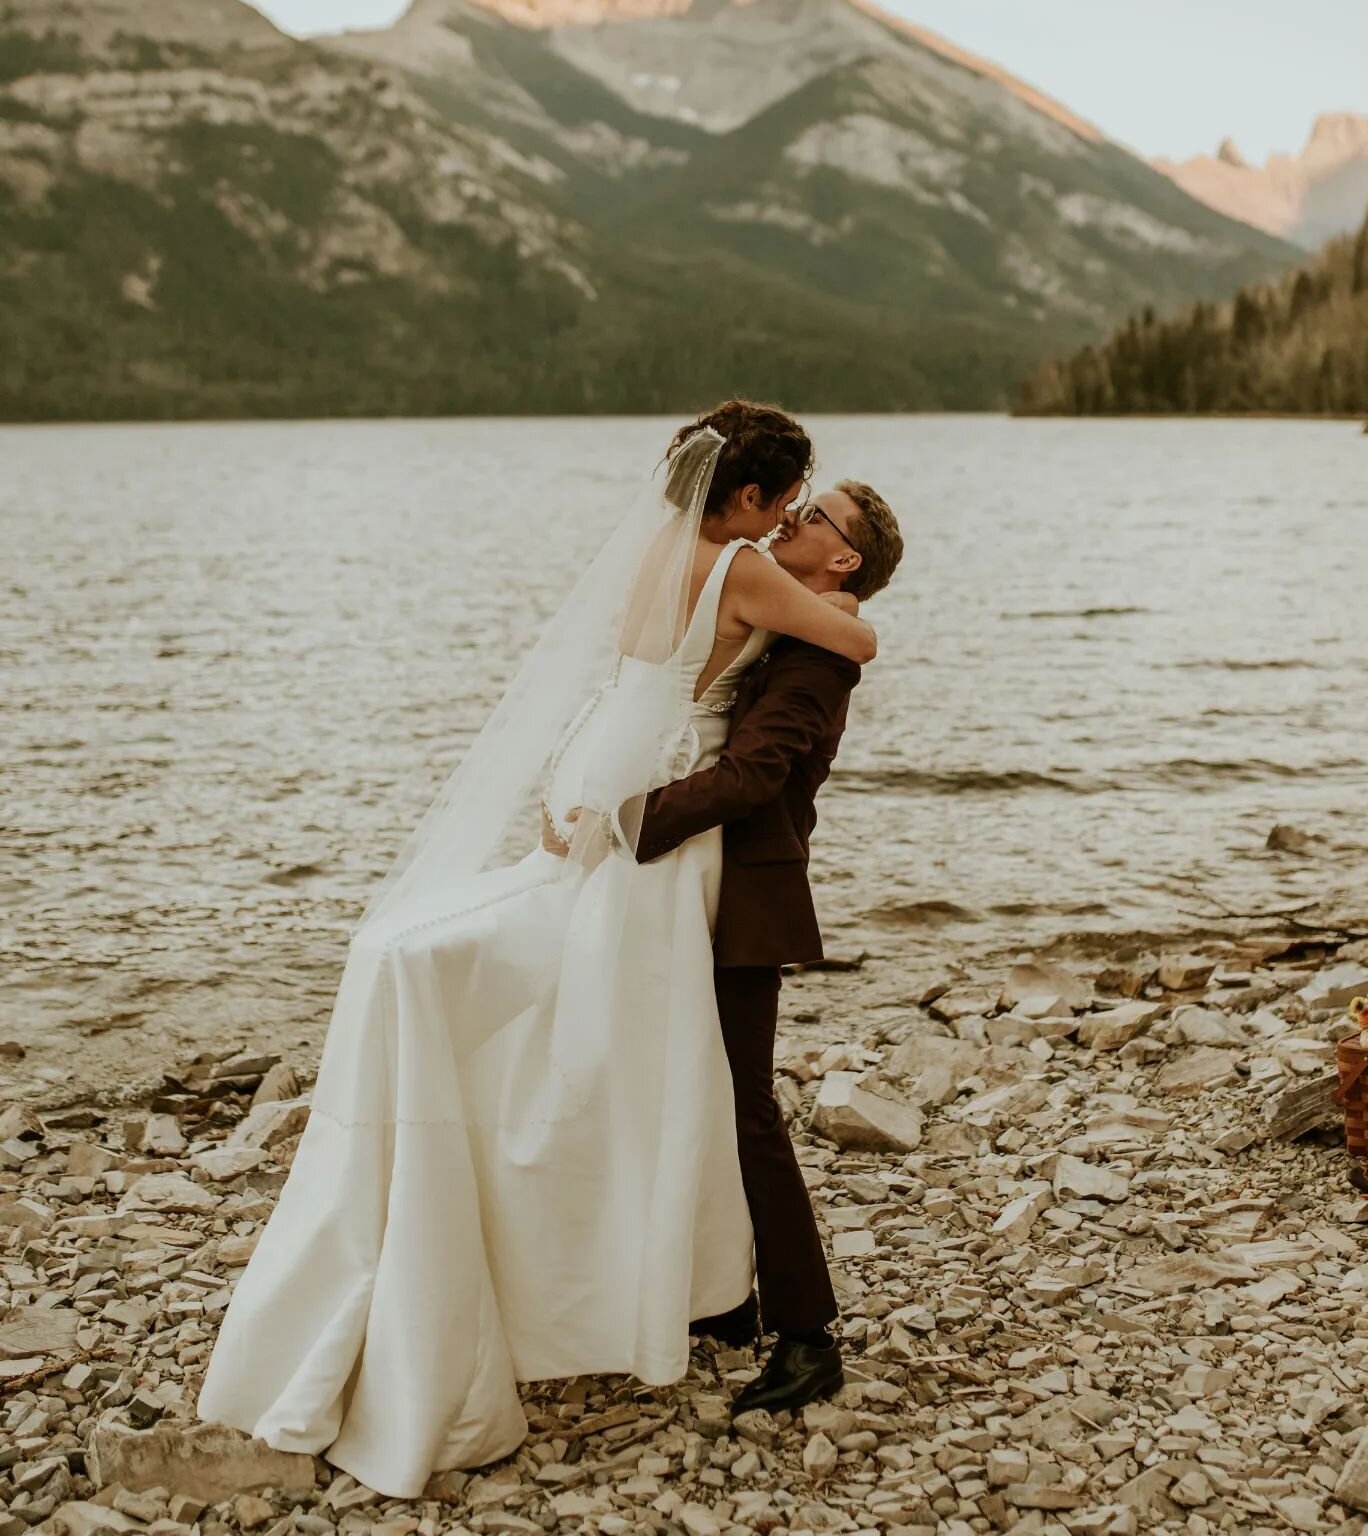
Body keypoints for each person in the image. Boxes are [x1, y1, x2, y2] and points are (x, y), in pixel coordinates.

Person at [195, 402, 876, 1501]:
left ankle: (786, 1322)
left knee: (717, 1091)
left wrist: (602, 801)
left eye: (819, 512)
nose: (797, 512)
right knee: (669, 1076)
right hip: (634, 833)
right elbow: (798, 660)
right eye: (791, 496)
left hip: (669, 842)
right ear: (749, 499)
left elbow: (760, 747)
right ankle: (700, 1290)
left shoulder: (706, 569)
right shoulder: (752, 574)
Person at [634, 481, 904, 1417]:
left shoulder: (824, 653)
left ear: (846, 561)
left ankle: (808, 1335)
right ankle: (727, 1296)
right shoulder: (798, 622)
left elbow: (753, 777)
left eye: (817, 517)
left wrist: (629, 819)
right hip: (700, 884)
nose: (795, 519)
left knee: (746, 1106)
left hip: (744, 891)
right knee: (698, 1090)